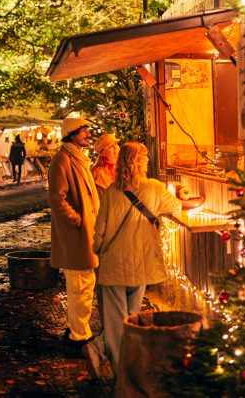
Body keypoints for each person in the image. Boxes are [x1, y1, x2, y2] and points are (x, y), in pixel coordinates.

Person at [83, 142, 181, 378]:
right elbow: (176, 207)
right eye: (145, 158)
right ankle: (121, 368)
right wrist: (190, 199)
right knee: (131, 317)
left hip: (113, 264)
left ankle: (109, 359)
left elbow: (100, 230)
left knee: (116, 321)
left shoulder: (111, 191)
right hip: (140, 264)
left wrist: (97, 250)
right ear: (137, 162)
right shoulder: (154, 188)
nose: (148, 161)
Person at [48, 117, 100, 357]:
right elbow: (58, 200)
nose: (88, 133)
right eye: (84, 130)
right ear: (71, 133)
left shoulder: (77, 158)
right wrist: (78, 221)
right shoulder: (63, 160)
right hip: (76, 235)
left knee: (83, 284)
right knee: (81, 285)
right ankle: (79, 336)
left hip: (85, 233)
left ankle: (75, 331)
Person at [91, 133, 120, 329]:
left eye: (116, 147)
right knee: (105, 278)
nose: (116, 150)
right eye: (112, 147)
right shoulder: (96, 175)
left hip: (122, 229)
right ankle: (108, 325)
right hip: (105, 230)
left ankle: (119, 323)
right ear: (103, 153)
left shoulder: (123, 170)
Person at [91, 133, 120, 200]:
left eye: (116, 144)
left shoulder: (123, 167)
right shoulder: (97, 174)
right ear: (103, 153)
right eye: (111, 147)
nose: (116, 147)